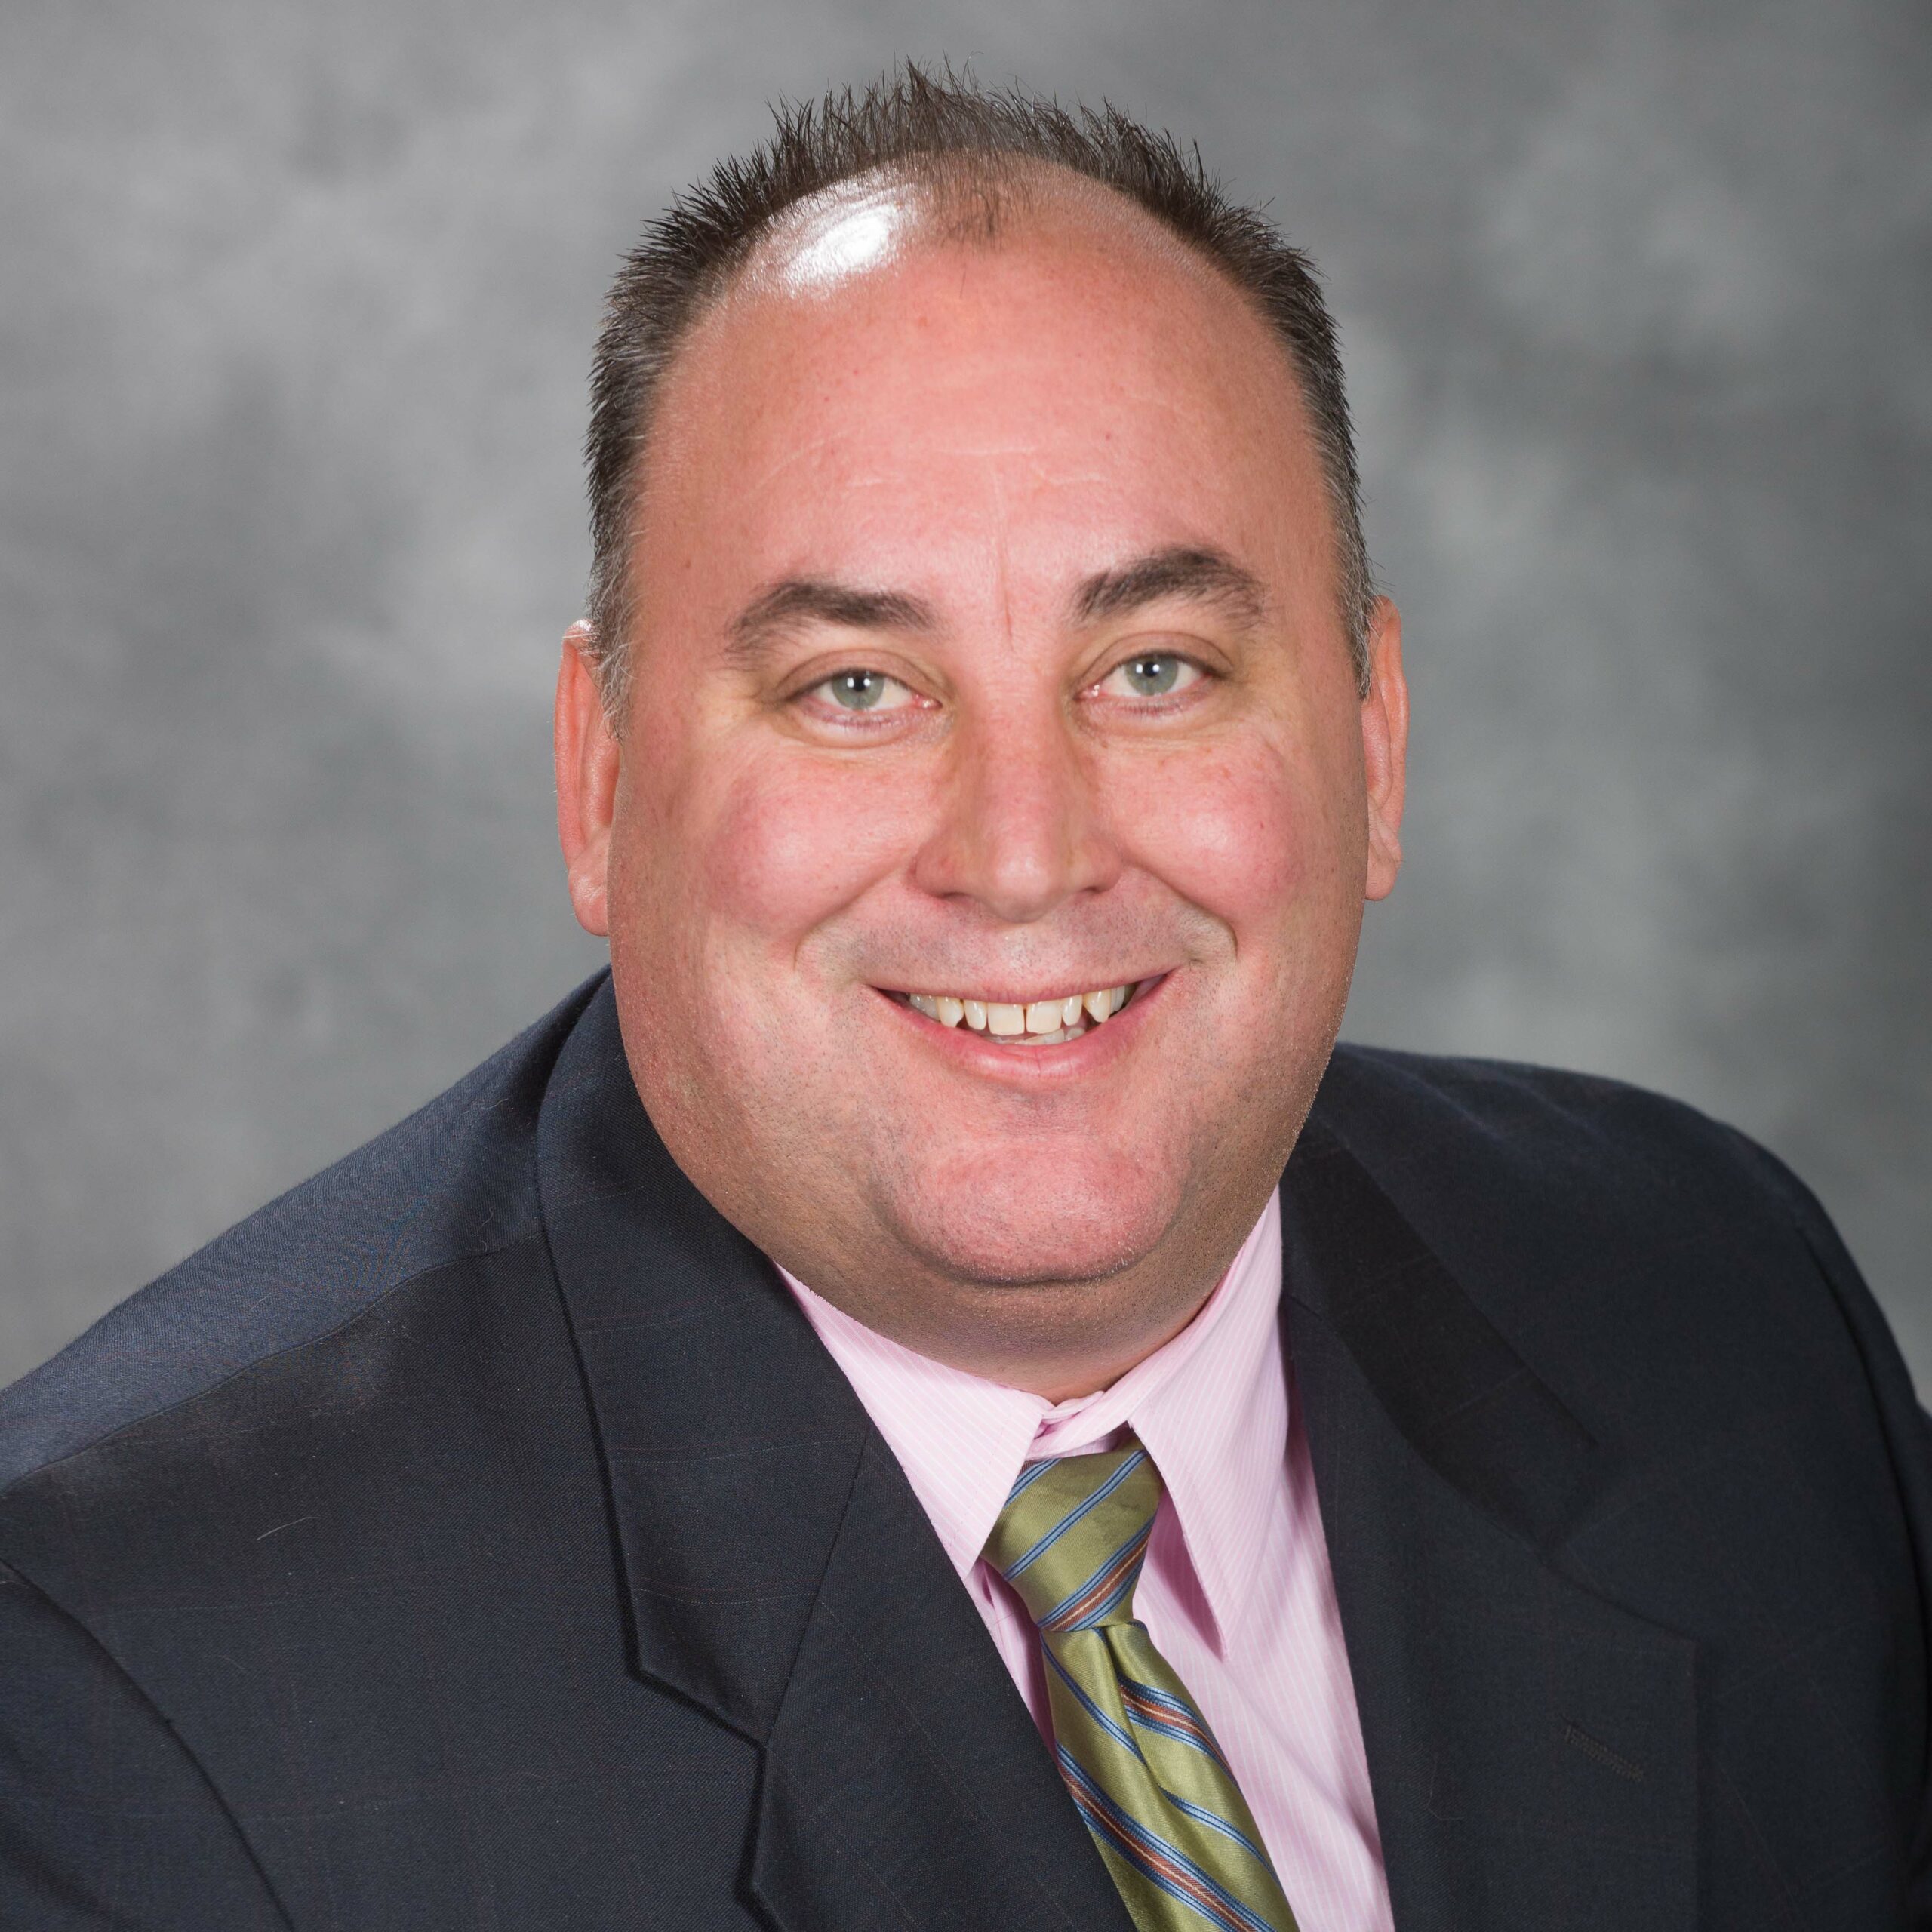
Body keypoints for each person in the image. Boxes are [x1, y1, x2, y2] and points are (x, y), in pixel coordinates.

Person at [2, 66, 1926, 1932]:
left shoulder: (1717, 1307)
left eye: (1156, 668)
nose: (1023, 852)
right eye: (854, 686)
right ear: (600, 779)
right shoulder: (125, 1668)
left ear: (1372, 740)